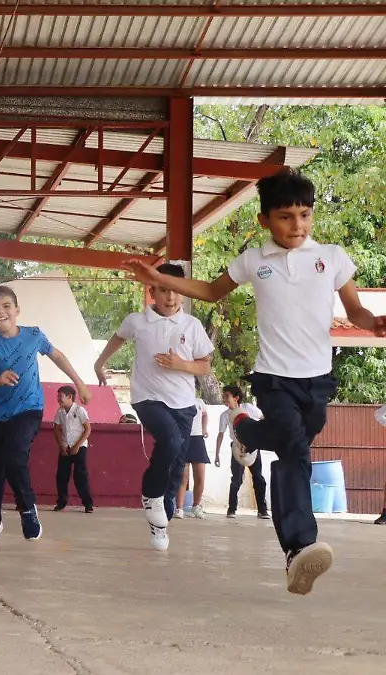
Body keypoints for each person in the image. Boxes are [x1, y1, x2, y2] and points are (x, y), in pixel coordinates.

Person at [122, 168, 385, 594]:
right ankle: (299, 547)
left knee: (293, 441)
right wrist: (159, 279)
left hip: (317, 379)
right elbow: (209, 290)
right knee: (295, 449)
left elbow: (353, 311)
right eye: (284, 216)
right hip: (273, 377)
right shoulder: (254, 260)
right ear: (265, 220)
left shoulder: (333, 257)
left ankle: (245, 429)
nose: (296, 225)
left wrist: (372, 323)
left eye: (304, 215)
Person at [95, 263, 212, 552]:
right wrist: (99, 363)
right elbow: (118, 338)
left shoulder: (192, 326)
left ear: (184, 293)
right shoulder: (138, 321)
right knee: (169, 440)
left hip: (184, 404)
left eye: (175, 290)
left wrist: (181, 365)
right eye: (163, 290)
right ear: (152, 292)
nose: (170, 297)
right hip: (147, 397)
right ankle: (151, 494)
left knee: (176, 465)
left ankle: (160, 524)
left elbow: (205, 366)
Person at [0, 285, 91, 548]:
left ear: (17, 310)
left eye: (6, 307)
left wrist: (79, 383)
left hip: (28, 409)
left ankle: (27, 509)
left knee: (15, 457)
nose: (0, 312)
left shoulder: (34, 335)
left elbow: (57, 356)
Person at [215, 384, 269, 520]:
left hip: (253, 445)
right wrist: (216, 454)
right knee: (236, 479)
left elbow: (263, 418)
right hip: (237, 447)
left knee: (258, 478)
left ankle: (262, 510)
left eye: (227, 396)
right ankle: (231, 509)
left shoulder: (248, 408)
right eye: (224, 396)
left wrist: (260, 437)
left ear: (236, 397)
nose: (224, 399)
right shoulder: (225, 415)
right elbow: (220, 434)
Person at [52, 385, 94, 513]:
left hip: (79, 446)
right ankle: (61, 502)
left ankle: (88, 503)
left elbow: (87, 429)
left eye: (61, 396)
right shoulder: (59, 412)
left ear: (70, 397)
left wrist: (77, 446)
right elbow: (57, 429)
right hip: (65, 446)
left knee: (80, 475)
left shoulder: (80, 410)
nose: (58, 399)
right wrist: (62, 445)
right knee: (62, 476)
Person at [176, 397, 210, 519]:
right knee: (182, 477)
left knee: (200, 476)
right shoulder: (179, 399)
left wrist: (204, 428)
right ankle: (179, 508)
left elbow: (205, 415)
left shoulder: (200, 401)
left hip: (197, 439)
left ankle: (196, 506)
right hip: (183, 438)